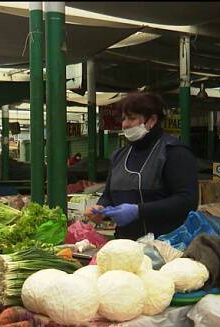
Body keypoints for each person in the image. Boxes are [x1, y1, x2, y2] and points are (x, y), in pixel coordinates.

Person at [85, 92, 198, 240]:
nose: (125, 124)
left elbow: (187, 201)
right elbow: (108, 196)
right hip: (126, 246)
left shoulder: (174, 152)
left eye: (132, 118)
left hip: (167, 246)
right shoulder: (119, 156)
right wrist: (100, 208)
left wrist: (139, 211)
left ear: (152, 120)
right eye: (123, 119)